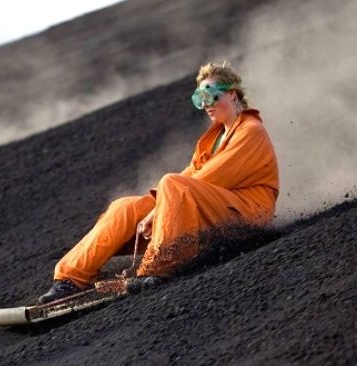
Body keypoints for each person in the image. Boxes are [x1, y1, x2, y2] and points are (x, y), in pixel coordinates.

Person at [38, 62, 279, 304]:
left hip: (247, 215)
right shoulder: (213, 138)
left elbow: (210, 176)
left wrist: (156, 212)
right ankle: (71, 278)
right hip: (212, 209)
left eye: (210, 96)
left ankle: (155, 269)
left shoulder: (250, 131)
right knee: (126, 207)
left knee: (171, 184)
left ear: (232, 94)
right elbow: (191, 176)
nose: (206, 104)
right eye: (199, 98)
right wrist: (154, 208)